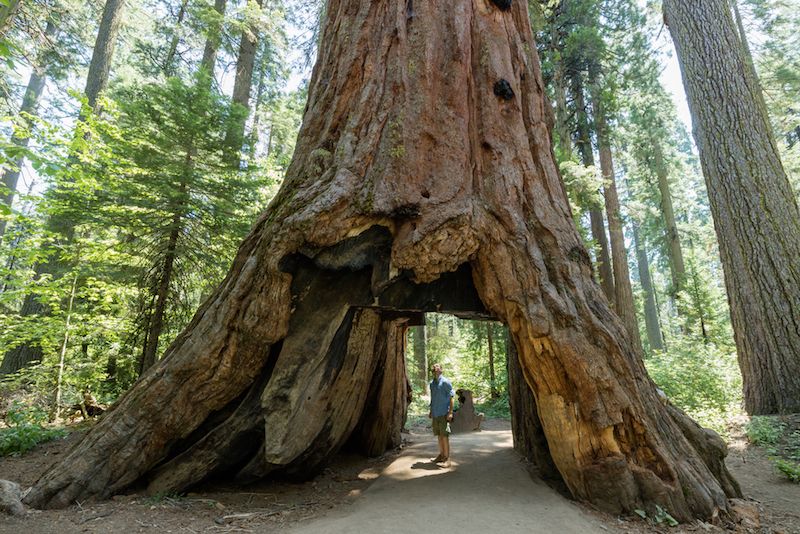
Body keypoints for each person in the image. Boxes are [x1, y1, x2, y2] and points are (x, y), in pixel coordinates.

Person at [428, 362, 454, 464]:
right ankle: (441, 455)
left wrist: (450, 412)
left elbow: (451, 397)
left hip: (444, 413)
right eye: (434, 367)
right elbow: (433, 398)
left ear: (441, 370)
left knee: (445, 436)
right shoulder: (432, 384)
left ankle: (447, 458)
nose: (435, 367)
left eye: (437, 366)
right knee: (439, 435)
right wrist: (431, 411)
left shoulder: (445, 382)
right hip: (435, 413)